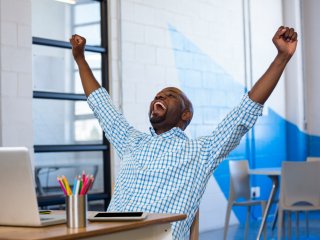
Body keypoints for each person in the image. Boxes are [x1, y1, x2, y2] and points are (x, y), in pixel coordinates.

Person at [70, 26, 297, 240]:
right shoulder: (131, 141)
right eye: (157, 95)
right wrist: (80, 58)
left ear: (186, 115)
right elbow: (101, 104)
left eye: (169, 95)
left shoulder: (201, 151)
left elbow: (244, 112)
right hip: (108, 234)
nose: (159, 97)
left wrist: (282, 58)